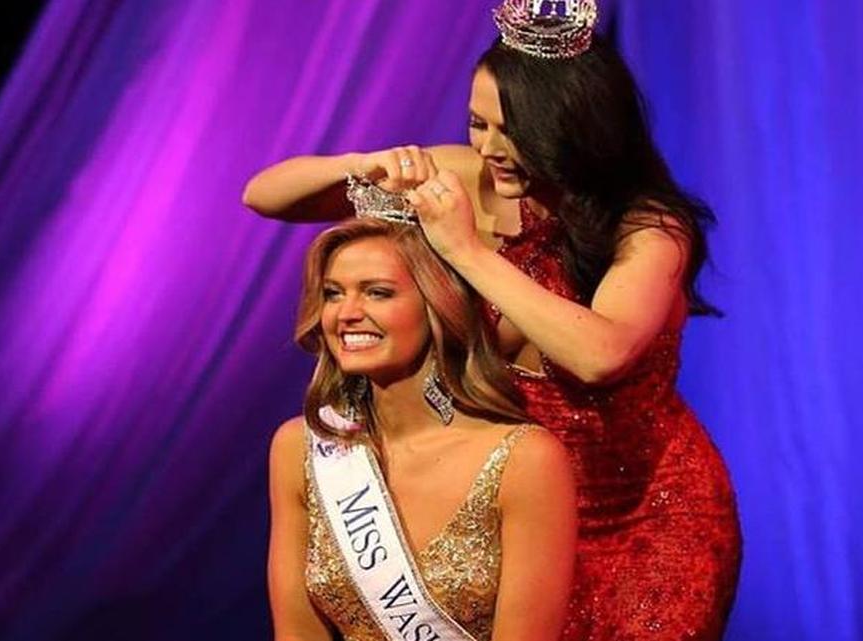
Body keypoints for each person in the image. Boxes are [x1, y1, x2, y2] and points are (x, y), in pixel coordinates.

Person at [249, 2, 740, 638]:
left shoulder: (648, 229)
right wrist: (363, 165)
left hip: (650, 516)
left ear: (570, 126)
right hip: (520, 506)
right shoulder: (469, 177)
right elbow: (263, 195)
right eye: (477, 124)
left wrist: (465, 250)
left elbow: (599, 354)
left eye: (510, 131)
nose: (488, 148)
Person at [267, 214, 576, 641]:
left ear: (437, 304)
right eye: (333, 294)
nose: (347, 313)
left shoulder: (524, 459)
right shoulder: (302, 447)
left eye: (377, 293)